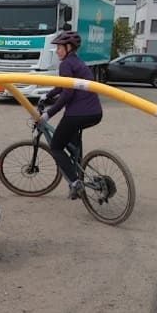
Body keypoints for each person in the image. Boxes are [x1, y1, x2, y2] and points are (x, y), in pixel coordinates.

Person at [35, 29, 103, 199]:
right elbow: (64, 85)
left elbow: (67, 94)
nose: (57, 50)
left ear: (68, 47)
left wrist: (48, 114)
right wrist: (48, 95)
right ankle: (79, 174)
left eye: (59, 47)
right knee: (73, 147)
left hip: (77, 114)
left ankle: (75, 182)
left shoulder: (66, 64)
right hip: (94, 113)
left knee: (56, 146)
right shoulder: (77, 62)